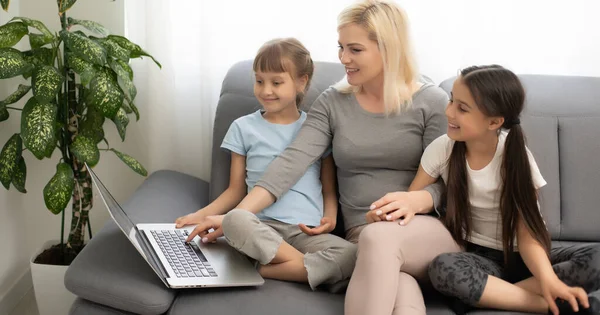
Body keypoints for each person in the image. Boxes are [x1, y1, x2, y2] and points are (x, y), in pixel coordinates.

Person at [185, 0, 457, 303]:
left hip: (419, 229)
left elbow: (452, 180)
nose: (343, 58)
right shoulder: (332, 102)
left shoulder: (432, 102)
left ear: (388, 48)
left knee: (379, 243)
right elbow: (291, 161)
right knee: (400, 285)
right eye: (341, 47)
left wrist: (418, 198)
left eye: (354, 49)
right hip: (362, 236)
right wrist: (237, 217)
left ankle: (269, 267)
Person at [414, 65, 600, 315]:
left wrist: (548, 278)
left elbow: (527, 235)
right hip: (479, 259)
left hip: (528, 257)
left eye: (462, 108)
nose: (449, 111)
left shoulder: (516, 158)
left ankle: (490, 295)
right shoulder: (442, 149)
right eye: (451, 101)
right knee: (443, 267)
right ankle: (548, 305)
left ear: (494, 122)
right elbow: (415, 202)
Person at [175, 38, 357, 290]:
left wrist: (330, 216)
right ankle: (314, 270)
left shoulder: (316, 129)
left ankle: (263, 270)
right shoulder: (243, 127)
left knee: (356, 255)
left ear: (301, 81)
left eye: (276, 82)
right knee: (235, 220)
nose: (266, 90)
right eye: (259, 81)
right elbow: (235, 190)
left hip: (305, 232)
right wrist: (201, 215)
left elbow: (328, 188)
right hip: (259, 228)